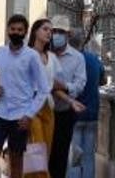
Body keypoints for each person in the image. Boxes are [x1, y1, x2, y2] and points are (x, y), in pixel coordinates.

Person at [0, 15, 49, 178]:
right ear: (7, 31)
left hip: (21, 115)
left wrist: (29, 114)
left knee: (16, 159)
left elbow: (43, 89)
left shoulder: (31, 56)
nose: (16, 32)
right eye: (13, 29)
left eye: (19, 30)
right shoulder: (0, 52)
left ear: (25, 32)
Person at [48, 18, 87, 178]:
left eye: (61, 32)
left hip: (64, 113)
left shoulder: (77, 58)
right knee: (40, 155)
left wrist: (63, 86)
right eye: (54, 31)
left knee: (60, 155)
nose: (57, 35)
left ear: (68, 34)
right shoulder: (44, 54)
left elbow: (79, 85)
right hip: (43, 111)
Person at [68, 34, 106, 178]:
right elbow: (102, 80)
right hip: (92, 111)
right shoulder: (93, 58)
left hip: (74, 113)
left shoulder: (70, 60)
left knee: (74, 154)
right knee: (89, 154)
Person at [24, 18, 59, 178]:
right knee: (36, 150)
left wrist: (71, 100)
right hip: (32, 107)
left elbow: (54, 84)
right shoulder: (26, 54)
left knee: (45, 152)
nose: (49, 33)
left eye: (50, 31)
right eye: (45, 29)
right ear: (35, 31)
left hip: (48, 108)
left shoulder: (51, 57)